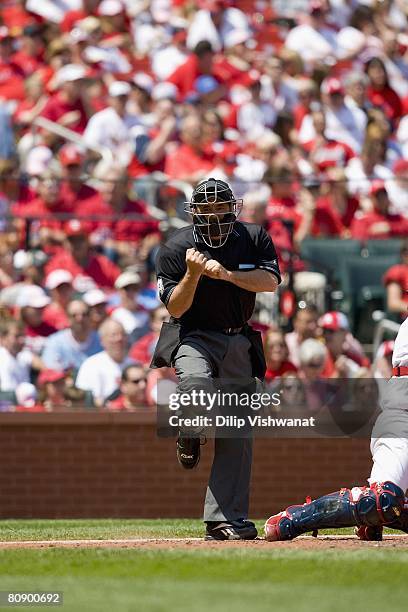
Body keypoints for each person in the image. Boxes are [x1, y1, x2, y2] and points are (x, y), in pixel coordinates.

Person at [152, 177, 281, 541]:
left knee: (237, 432)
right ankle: (188, 431)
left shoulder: (253, 237)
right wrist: (193, 274)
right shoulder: (178, 247)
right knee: (195, 387)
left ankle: (225, 519)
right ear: (194, 213)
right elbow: (175, 305)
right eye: (205, 208)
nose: (213, 214)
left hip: (238, 337)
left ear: (231, 208)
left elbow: (270, 281)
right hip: (193, 335)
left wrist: (224, 275)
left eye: (219, 207)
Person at [264, 317, 408, 542]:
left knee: (385, 507)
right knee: (381, 500)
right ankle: (298, 518)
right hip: (404, 418)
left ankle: (374, 519)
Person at [75, 317, 133, 405]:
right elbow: (88, 400)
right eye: (113, 335)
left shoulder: (134, 365)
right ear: (102, 340)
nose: (119, 339)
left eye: (123, 334)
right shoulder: (92, 365)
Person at [42, 299, 102, 371]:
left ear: (90, 317)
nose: (80, 318)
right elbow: (50, 371)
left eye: (84, 314)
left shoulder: (101, 340)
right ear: (67, 318)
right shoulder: (55, 342)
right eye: (74, 315)